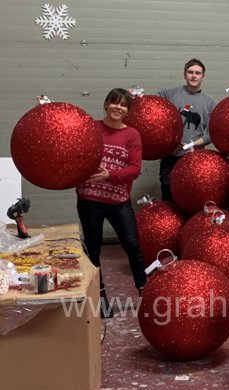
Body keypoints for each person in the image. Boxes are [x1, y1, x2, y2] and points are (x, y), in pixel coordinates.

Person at [76, 88, 147, 318]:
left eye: (124, 105)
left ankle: (145, 293)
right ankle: (101, 298)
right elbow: (73, 153)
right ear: (106, 104)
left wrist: (110, 175)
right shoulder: (91, 129)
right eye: (114, 103)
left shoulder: (132, 135)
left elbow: (135, 169)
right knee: (93, 250)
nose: (118, 108)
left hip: (118, 200)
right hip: (89, 199)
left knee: (132, 245)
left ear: (127, 110)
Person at [157, 58, 217, 201]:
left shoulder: (210, 103)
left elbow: (212, 134)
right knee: (168, 195)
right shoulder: (168, 94)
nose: (194, 76)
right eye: (190, 72)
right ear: (185, 74)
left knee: (192, 197)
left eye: (197, 73)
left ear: (203, 76)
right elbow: (153, 107)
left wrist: (192, 145)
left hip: (194, 159)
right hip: (171, 156)